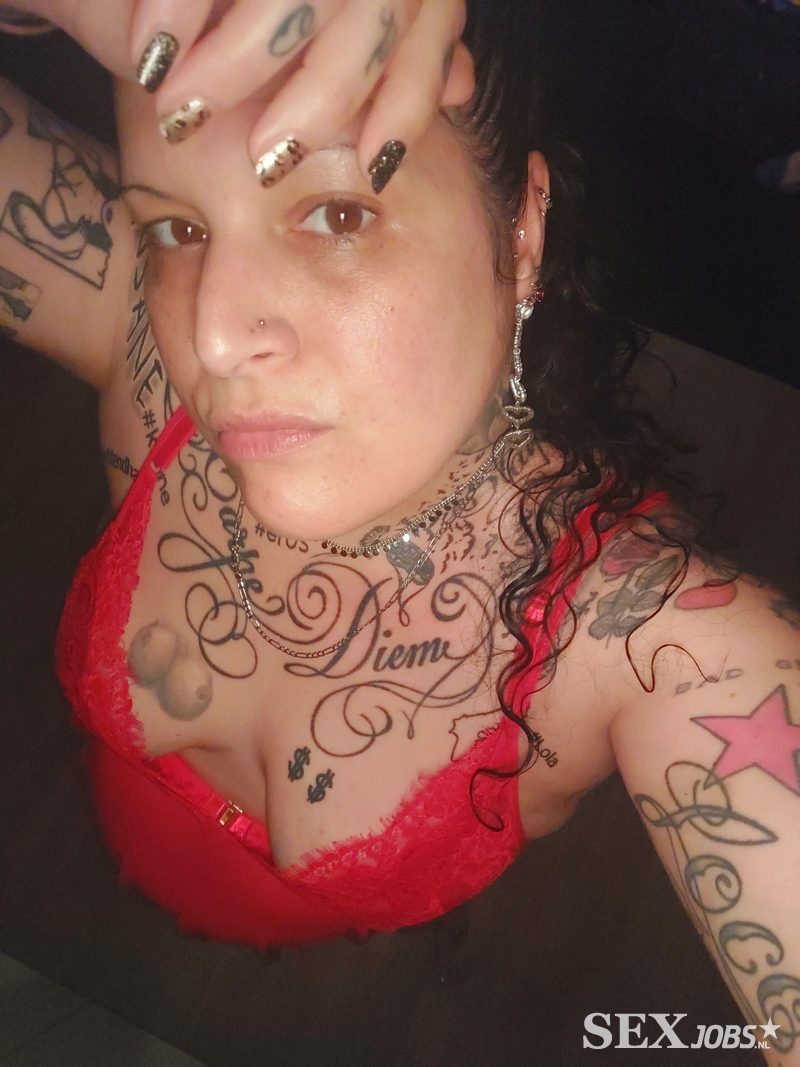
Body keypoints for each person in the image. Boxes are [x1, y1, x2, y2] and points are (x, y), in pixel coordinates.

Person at [1, 1, 798, 1059]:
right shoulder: (136, 318)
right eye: (177, 230)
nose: (213, 334)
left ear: (521, 227)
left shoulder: (654, 646)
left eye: (336, 213)